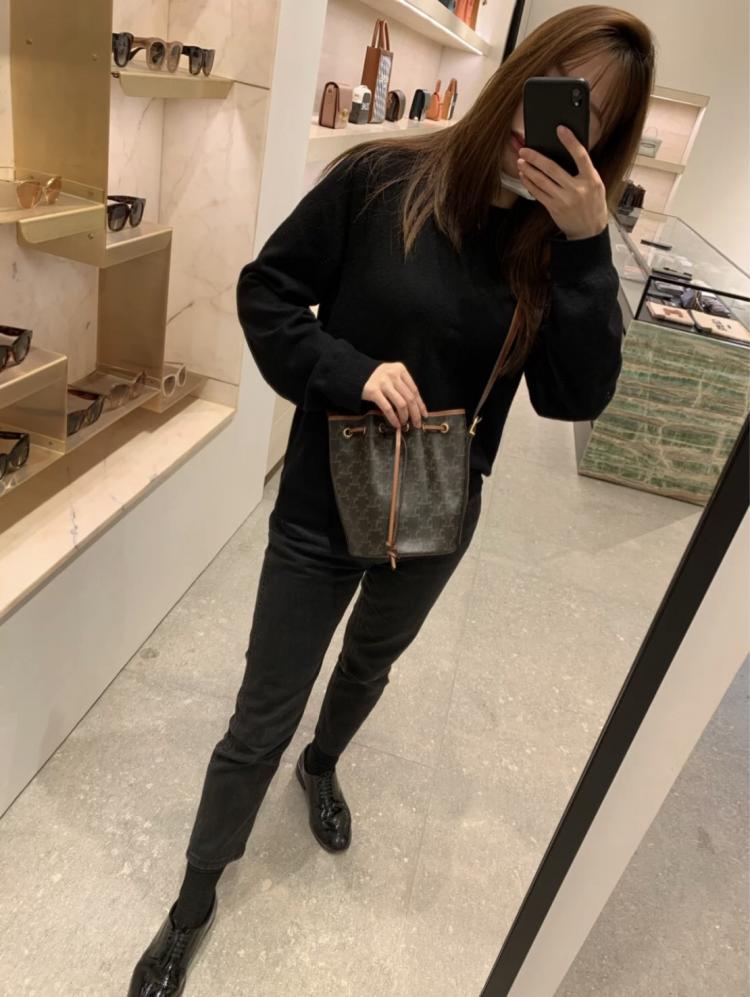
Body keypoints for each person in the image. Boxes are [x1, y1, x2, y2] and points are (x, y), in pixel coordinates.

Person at [128, 5, 655, 994]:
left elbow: (574, 397)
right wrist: (348, 368)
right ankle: (192, 902)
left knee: (370, 662)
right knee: (261, 710)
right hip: (323, 499)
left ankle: (324, 763)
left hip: (438, 509)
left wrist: (589, 251)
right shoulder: (381, 179)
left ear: (603, 136)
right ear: (522, 75)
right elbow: (266, 293)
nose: (549, 124)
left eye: (589, 112)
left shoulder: (556, 248)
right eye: (556, 88)